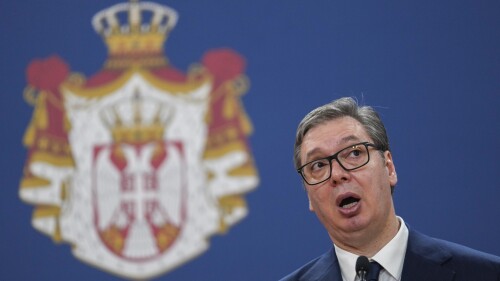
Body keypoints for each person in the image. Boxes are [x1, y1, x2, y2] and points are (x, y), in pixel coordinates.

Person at [280, 97, 500, 281]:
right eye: (318, 165)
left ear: (389, 167)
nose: (337, 174)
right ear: (309, 195)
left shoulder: (484, 274)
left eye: (354, 153)